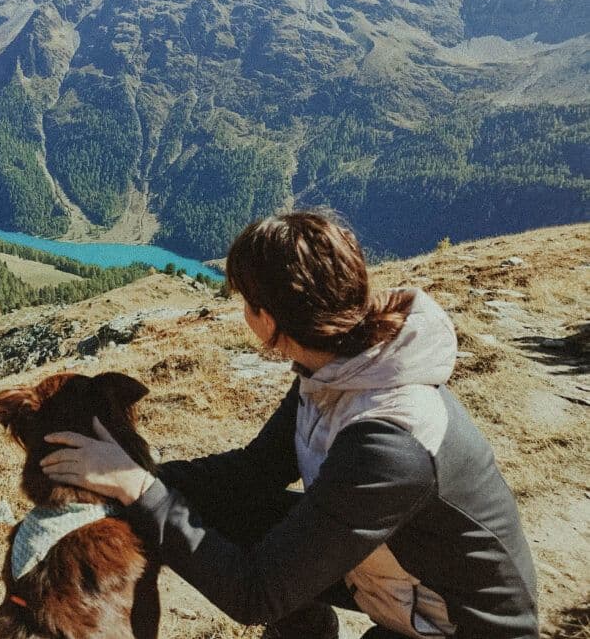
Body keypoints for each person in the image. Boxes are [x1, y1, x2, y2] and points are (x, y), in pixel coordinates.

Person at [40, 210, 539, 639]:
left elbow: (255, 594)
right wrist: (132, 479)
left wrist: (138, 488)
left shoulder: (389, 442)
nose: (243, 314)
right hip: (398, 574)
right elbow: (257, 468)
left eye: (246, 303)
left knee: (254, 571)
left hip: (464, 627)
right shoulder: (341, 366)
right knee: (227, 511)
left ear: (272, 316)